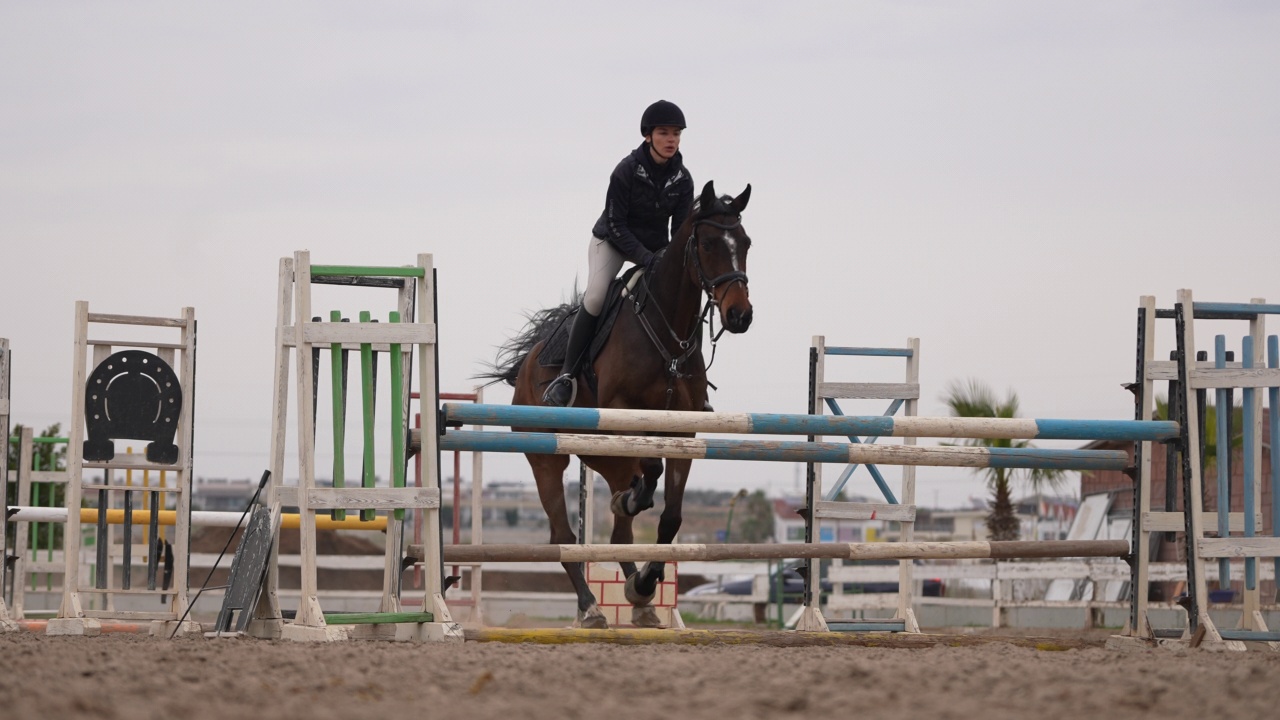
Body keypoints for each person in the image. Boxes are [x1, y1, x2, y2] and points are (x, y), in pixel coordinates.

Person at [542, 99, 695, 407]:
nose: (671, 140)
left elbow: (679, 233)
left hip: (654, 248)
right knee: (597, 296)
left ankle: (693, 384)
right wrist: (646, 257)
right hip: (611, 242)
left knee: (684, 301)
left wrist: (663, 259)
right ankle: (567, 376)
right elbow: (616, 224)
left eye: (676, 133)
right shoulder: (625, 171)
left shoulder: (683, 180)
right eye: (664, 133)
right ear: (648, 136)